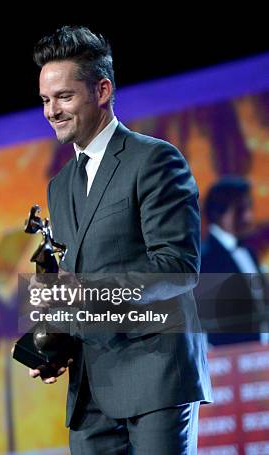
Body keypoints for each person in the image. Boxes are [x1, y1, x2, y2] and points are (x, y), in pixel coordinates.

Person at [27, 26, 212, 454]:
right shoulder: (59, 185)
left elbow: (178, 268)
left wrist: (85, 290)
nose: (51, 111)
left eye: (63, 97)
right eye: (44, 100)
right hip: (91, 392)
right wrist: (57, 344)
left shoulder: (154, 159)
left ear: (102, 90)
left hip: (156, 379)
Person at [199, 176, 267, 345]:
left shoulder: (249, 252)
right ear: (217, 213)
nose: (249, 217)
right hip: (232, 359)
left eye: (249, 208)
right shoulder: (205, 260)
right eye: (241, 210)